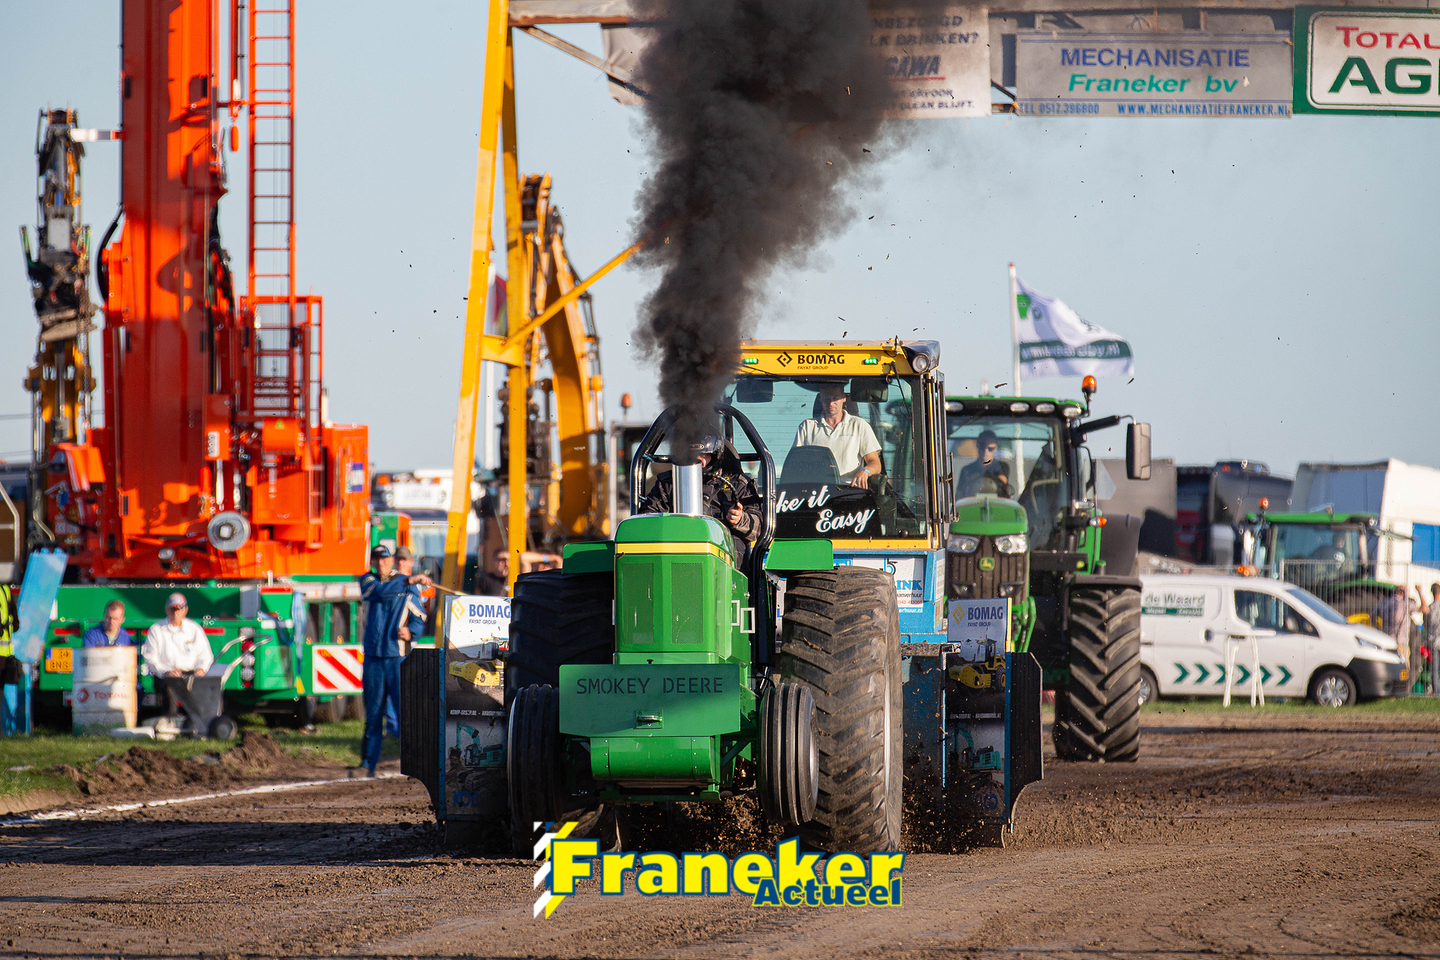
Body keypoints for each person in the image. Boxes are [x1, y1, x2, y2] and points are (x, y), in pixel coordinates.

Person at [357, 545, 432, 777]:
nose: (381, 563)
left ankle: (415, 763)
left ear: (391, 561)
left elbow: (419, 615)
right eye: (377, 559)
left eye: (385, 559)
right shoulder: (368, 581)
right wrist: (409, 581)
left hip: (398, 659)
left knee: (405, 714)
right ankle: (367, 764)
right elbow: (381, 593)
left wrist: (412, 632)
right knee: (372, 715)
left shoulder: (406, 585)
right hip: (373, 659)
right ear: (372, 562)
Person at [639, 436, 762, 565]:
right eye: (693, 454)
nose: (698, 460)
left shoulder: (740, 484)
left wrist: (740, 519)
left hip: (729, 565)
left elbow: (759, 529)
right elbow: (647, 522)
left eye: (704, 455)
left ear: (716, 455)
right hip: (677, 560)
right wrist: (670, 523)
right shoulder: (667, 483)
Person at [792, 384, 882, 488]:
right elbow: (795, 464)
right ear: (820, 399)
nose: (831, 403)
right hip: (816, 491)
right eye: (826, 398)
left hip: (850, 490)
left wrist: (865, 471)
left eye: (835, 398)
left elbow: (875, 464)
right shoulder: (807, 427)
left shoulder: (859, 425)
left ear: (844, 398)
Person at [141, 593, 214, 716]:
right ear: (166, 610)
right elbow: (150, 658)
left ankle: (200, 721)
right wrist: (166, 672)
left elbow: (205, 655)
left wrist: (201, 669)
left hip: (191, 674)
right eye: (172, 609)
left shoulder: (194, 629)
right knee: (170, 689)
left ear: (185, 610)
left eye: (179, 609)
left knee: (208, 689)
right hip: (165, 676)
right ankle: (171, 719)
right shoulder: (156, 629)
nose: (175, 613)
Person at [1371, 584, 1418, 669]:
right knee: (1403, 668)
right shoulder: (1405, 605)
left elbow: (1372, 615)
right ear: (1403, 593)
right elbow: (1425, 609)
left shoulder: (1385, 603)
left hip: (1387, 640)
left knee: (1388, 667)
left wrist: (1377, 628)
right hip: (1401, 643)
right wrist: (1419, 592)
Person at [956, 430, 1012, 498]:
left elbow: (1005, 488)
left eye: (990, 448)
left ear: (995, 448)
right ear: (977, 446)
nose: (985, 451)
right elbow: (959, 495)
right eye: (982, 447)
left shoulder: (1002, 467)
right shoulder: (966, 470)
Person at [1417, 583, 1440, 692]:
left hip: (1433, 641)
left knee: (1434, 669)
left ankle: (1436, 691)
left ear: (1432, 592)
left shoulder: (1429, 608)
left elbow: (1425, 626)